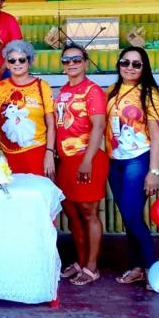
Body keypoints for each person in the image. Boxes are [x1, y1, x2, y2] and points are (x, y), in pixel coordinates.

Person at [106, 46, 159, 287]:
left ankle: (150, 267)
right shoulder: (112, 90)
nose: (129, 67)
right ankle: (136, 266)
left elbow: (157, 135)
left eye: (136, 64)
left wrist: (154, 171)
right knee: (128, 215)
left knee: (131, 214)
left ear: (144, 68)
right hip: (114, 160)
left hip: (138, 159)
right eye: (125, 62)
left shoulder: (149, 93)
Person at [54, 44, 108, 286]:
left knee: (89, 214)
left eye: (77, 59)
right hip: (66, 160)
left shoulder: (93, 91)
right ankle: (80, 260)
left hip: (87, 158)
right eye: (67, 60)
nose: (72, 63)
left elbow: (98, 126)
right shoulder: (64, 90)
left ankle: (92, 267)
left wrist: (87, 160)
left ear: (86, 62)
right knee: (73, 214)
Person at [0, 40, 55, 177]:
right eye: (12, 60)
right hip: (5, 154)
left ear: (29, 62)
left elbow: (51, 124)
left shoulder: (43, 86)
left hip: (36, 152)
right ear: (7, 64)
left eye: (22, 60)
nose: (17, 64)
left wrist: (49, 153)